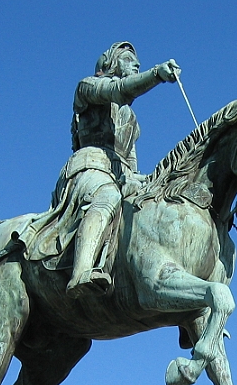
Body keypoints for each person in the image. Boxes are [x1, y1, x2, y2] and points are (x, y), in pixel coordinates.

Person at [59, 42, 180, 297]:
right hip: (90, 166)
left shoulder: (130, 118)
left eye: (137, 61)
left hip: (121, 175)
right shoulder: (88, 86)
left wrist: (149, 181)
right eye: (128, 59)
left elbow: (131, 161)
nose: (136, 64)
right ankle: (81, 272)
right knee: (108, 197)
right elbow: (118, 91)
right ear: (110, 63)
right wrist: (156, 74)